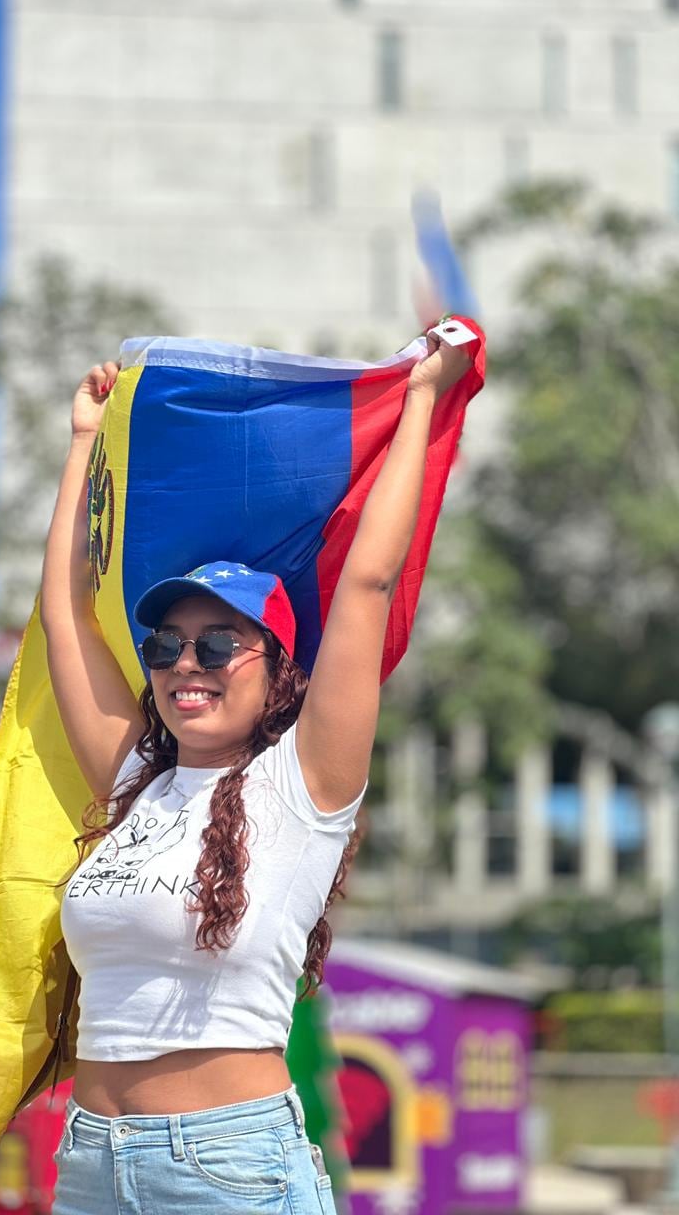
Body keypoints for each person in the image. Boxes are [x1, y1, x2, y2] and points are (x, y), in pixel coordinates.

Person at [40, 324, 476, 1214]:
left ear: (279, 667)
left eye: (217, 643)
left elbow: (365, 586)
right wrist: (84, 443)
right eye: (165, 644)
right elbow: (66, 618)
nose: (183, 663)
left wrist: (422, 398)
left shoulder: (303, 783)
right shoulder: (134, 788)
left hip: (227, 1168)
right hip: (88, 1163)